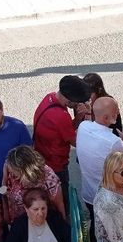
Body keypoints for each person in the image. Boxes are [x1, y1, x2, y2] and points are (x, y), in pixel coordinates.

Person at [76, 97, 123, 242]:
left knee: (95, 226)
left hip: (89, 193)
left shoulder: (83, 127)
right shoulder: (113, 142)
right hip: (109, 196)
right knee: (111, 229)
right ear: (107, 118)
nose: (118, 113)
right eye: (116, 112)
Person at [33, 74, 93, 203]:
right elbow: (78, 142)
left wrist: (78, 117)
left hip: (43, 158)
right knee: (62, 199)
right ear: (69, 100)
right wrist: (87, 115)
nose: (78, 104)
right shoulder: (60, 116)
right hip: (56, 166)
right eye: (77, 101)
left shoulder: (50, 98)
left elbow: (63, 130)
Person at [1, 145, 65, 221]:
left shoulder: (49, 178)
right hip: (19, 221)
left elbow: (59, 204)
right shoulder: (10, 169)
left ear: (24, 170)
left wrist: (63, 223)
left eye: (13, 169)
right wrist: (6, 211)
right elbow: (3, 190)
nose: (10, 171)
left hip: (42, 220)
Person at [83, 72, 123, 138]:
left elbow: (116, 130)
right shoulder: (81, 102)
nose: (86, 97)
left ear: (99, 90)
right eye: (84, 93)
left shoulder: (108, 103)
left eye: (90, 93)